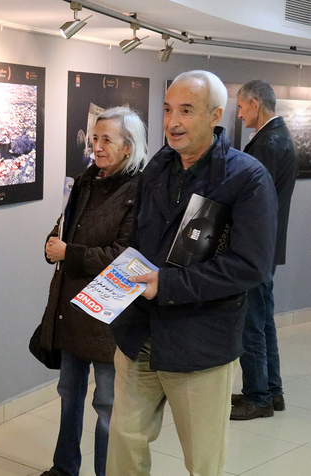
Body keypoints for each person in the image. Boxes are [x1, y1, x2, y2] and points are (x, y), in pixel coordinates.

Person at [106, 71, 278, 476]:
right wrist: (116, 279)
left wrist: (167, 284)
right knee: (124, 443)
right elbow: (139, 241)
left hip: (200, 344)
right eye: (167, 110)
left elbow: (250, 266)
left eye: (186, 110)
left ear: (216, 116)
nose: (173, 122)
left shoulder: (247, 178)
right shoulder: (156, 169)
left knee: (202, 460)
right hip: (139, 337)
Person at [38, 107, 148, 476]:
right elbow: (63, 229)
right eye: (94, 138)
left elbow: (126, 256)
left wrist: (70, 253)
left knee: (106, 405)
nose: (96, 147)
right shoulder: (85, 182)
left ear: (129, 148)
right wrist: (53, 242)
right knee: (69, 395)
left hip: (108, 318)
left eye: (106, 140)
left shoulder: (140, 192)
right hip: (69, 310)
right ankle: (64, 467)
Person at [231, 79, 297, 420]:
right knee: (264, 321)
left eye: (242, 107)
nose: (240, 115)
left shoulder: (268, 143)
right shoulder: (277, 138)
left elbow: (253, 201)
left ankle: (258, 397)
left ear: (255, 103)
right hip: (267, 248)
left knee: (252, 323)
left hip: (256, 249)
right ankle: (272, 390)